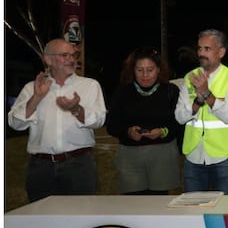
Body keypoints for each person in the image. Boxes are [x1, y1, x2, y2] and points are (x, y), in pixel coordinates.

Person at [6, 38, 106, 202]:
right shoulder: (32, 88)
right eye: (65, 55)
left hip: (79, 165)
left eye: (73, 55)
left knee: (81, 219)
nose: (72, 59)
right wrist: (37, 98)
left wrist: (75, 109)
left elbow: (99, 120)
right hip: (41, 166)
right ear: (48, 59)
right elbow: (15, 123)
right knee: (42, 220)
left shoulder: (90, 85)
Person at [173, 29, 228, 194]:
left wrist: (206, 94)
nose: (201, 53)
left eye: (207, 49)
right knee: (193, 212)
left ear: (221, 52)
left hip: (223, 157)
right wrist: (197, 103)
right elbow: (179, 117)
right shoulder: (189, 77)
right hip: (193, 156)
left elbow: (227, 116)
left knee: (222, 211)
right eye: (199, 48)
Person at [106, 47, 183, 195]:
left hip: (163, 155)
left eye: (150, 69)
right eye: (140, 70)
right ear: (132, 70)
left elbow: (179, 123)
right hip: (129, 156)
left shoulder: (171, 91)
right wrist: (128, 131)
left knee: (158, 202)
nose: (145, 75)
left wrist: (163, 131)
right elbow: (112, 125)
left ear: (159, 70)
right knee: (133, 204)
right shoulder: (123, 92)